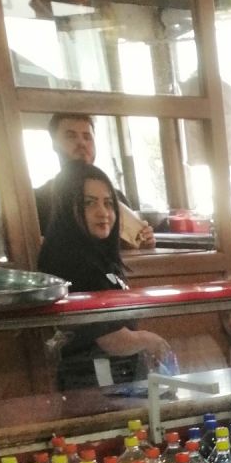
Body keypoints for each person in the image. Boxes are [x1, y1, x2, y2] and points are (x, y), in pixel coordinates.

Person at [36, 163, 172, 392]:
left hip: (117, 375)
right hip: (92, 380)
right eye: (89, 203)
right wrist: (150, 340)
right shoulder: (67, 258)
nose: (103, 212)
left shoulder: (98, 254)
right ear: (67, 207)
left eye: (108, 203)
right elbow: (110, 339)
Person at [34, 112, 155, 250]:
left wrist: (145, 242)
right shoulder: (37, 202)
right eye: (71, 136)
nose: (81, 143)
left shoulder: (116, 197)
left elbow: (131, 247)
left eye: (87, 137)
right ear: (54, 144)